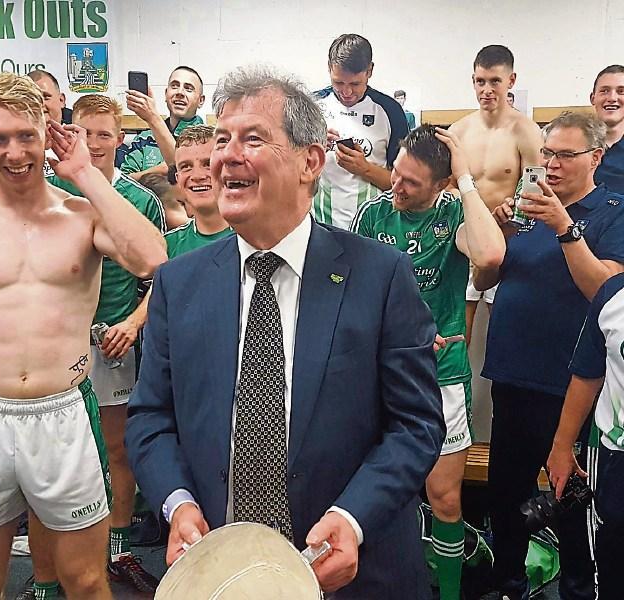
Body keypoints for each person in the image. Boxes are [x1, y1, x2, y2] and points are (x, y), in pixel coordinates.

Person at [126, 64, 444, 599]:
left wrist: (353, 517)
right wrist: (176, 503)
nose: (226, 155)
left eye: (253, 138)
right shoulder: (179, 283)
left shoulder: (380, 275)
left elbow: (415, 424)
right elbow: (151, 416)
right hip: (222, 576)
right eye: (221, 138)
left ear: (309, 161)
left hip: (354, 573)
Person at [0, 72, 166, 600]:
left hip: (63, 415)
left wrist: (86, 174)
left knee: (87, 581)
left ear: (49, 134)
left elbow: (153, 258)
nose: (14, 152)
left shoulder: (82, 217)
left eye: (27, 136)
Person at [352, 124, 505, 600]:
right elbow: (356, 296)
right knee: (382, 495)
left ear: (440, 185)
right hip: (384, 374)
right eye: (395, 173)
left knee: (444, 499)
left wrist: (465, 179)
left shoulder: (456, 212)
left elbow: (491, 254)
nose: (395, 186)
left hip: (442, 376)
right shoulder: (373, 216)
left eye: (411, 182)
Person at [475, 111, 624, 600]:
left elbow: (606, 290)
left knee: (572, 506)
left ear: (596, 157)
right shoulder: (529, 208)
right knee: (507, 497)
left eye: (565, 155)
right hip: (514, 377)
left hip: (573, 388)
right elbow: (488, 278)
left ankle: (582, 590)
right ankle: (508, 585)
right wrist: (498, 238)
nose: (552, 165)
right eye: (547, 155)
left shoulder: (611, 211)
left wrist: (564, 227)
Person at [69, 93, 165, 594]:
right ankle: (61, 564)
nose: (95, 143)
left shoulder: (141, 199)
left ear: (120, 139)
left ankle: (118, 549)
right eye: (85, 132)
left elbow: (156, 277)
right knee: (66, 451)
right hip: (62, 343)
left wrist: (132, 323)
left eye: (105, 133)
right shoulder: (56, 189)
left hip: (114, 342)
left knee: (117, 450)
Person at [450, 45, 542, 345]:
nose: (487, 90)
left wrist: (512, 211)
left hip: (507, 243)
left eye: (495, 81)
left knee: (504, 334)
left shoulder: (525, 130)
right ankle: (454, 391)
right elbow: (446, 188)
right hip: (465, 245)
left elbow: (534, 186)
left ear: (511, 81)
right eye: (480, 81)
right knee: (457, 334)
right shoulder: (458, 132)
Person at [546, 272, 624, 600]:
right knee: (610, 562)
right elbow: (586, 377)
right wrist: (561, 447)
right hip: (614, 456)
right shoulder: (612, 295)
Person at [311, 34, 409, 229]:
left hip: (373, 230)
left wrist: (364, 168)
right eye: (338, 83)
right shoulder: (311, 107)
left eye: (355, 84)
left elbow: (404, 185)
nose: (346, 92)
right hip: (321, 228)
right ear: (329, 68)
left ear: (369, 71)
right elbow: (288, 170)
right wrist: (310, 147)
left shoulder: (390, 111)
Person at [120, 65, 205, 180]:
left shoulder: (209, 139)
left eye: (188, 88)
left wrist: (153, 117)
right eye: (174, 86)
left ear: (201, 100)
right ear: (166, 94)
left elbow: (186, 172)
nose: (180, 92)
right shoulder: (144, 139)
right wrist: (158, 172)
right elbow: (123, 181)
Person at [165, 124, 233, 258]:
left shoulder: (255, 239)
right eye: (186, 166)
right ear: (178, 179)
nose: (197, 176)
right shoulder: (168, 246)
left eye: (208, 164)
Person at [591, 64, 624, 194]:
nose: (612, 98)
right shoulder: (573, 145)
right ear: (592, 98)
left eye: (621, 91)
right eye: (604, 91)